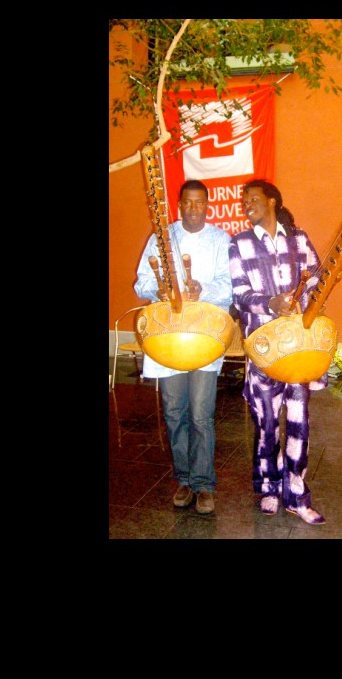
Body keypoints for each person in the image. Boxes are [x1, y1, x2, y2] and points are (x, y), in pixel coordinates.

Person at [228, 179, 327, 524]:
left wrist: (320, 284)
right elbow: (239, 294)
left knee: (299, 423)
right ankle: (269, 487)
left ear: (272, 201)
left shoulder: (297, 238)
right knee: (267, 423)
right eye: (244, 202)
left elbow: (316, 277)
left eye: (253, 199)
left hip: (298, 348)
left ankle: (297, 495)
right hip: (263, 348)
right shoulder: (238, 244)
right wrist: (271, 303)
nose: (246, 205)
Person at [134, 179, 233, 513]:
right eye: (188, 203)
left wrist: (201, 289)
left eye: (200, 203)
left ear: (208, 205)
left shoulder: (221, 240)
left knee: (202, 414)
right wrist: (160, 291)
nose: (194, 209)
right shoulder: (163, 237)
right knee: (175, 411)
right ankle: (184, 480)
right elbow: (142, 281)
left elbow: (229, 284)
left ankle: (205, 484)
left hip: (204, 336)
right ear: (179, 205)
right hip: (169, 338)